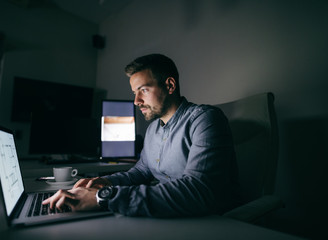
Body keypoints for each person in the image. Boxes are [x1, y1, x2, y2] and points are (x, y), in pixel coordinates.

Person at [42, 54, 240, 217]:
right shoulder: (153, 128)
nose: (136, 101)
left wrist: (105, 197)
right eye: (134, 92)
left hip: (207, 221)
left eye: (143, 90)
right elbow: (141, 172)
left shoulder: (205, 119)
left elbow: (198, 191)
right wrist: (107, 182)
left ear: (170, 86)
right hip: (167, 216)